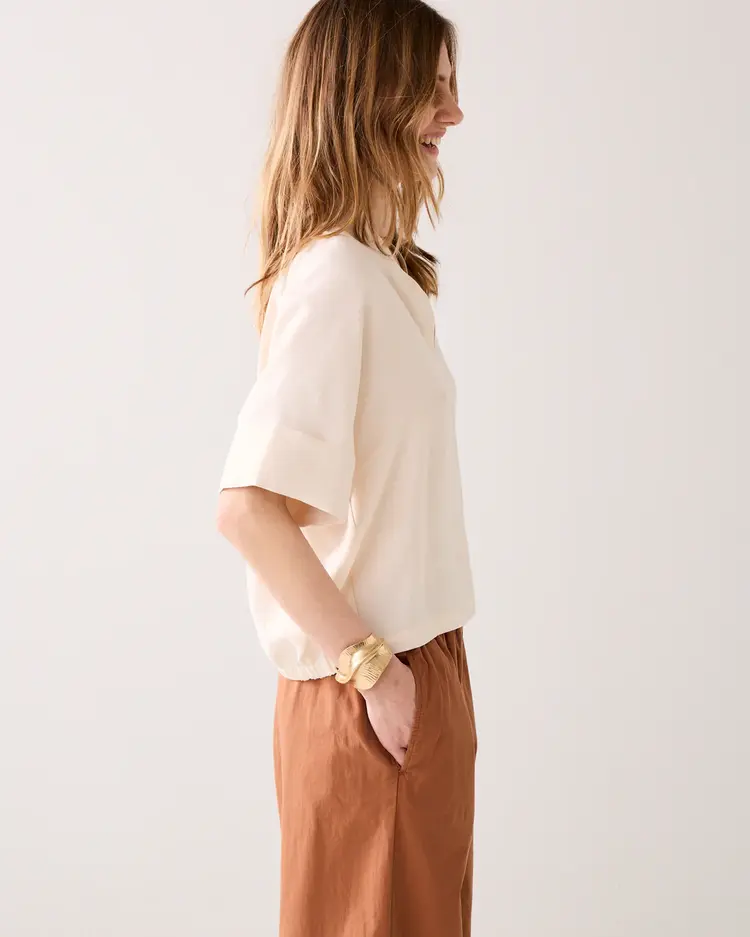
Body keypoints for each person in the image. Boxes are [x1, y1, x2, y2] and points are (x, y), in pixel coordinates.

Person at [216, 1, 477, 934]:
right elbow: (248, 507)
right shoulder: (334, 279)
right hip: (371, 686)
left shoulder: (379, 278)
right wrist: (373, 670)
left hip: (419, 668)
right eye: (432, 87)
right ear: (369, 94)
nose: (454, 112)